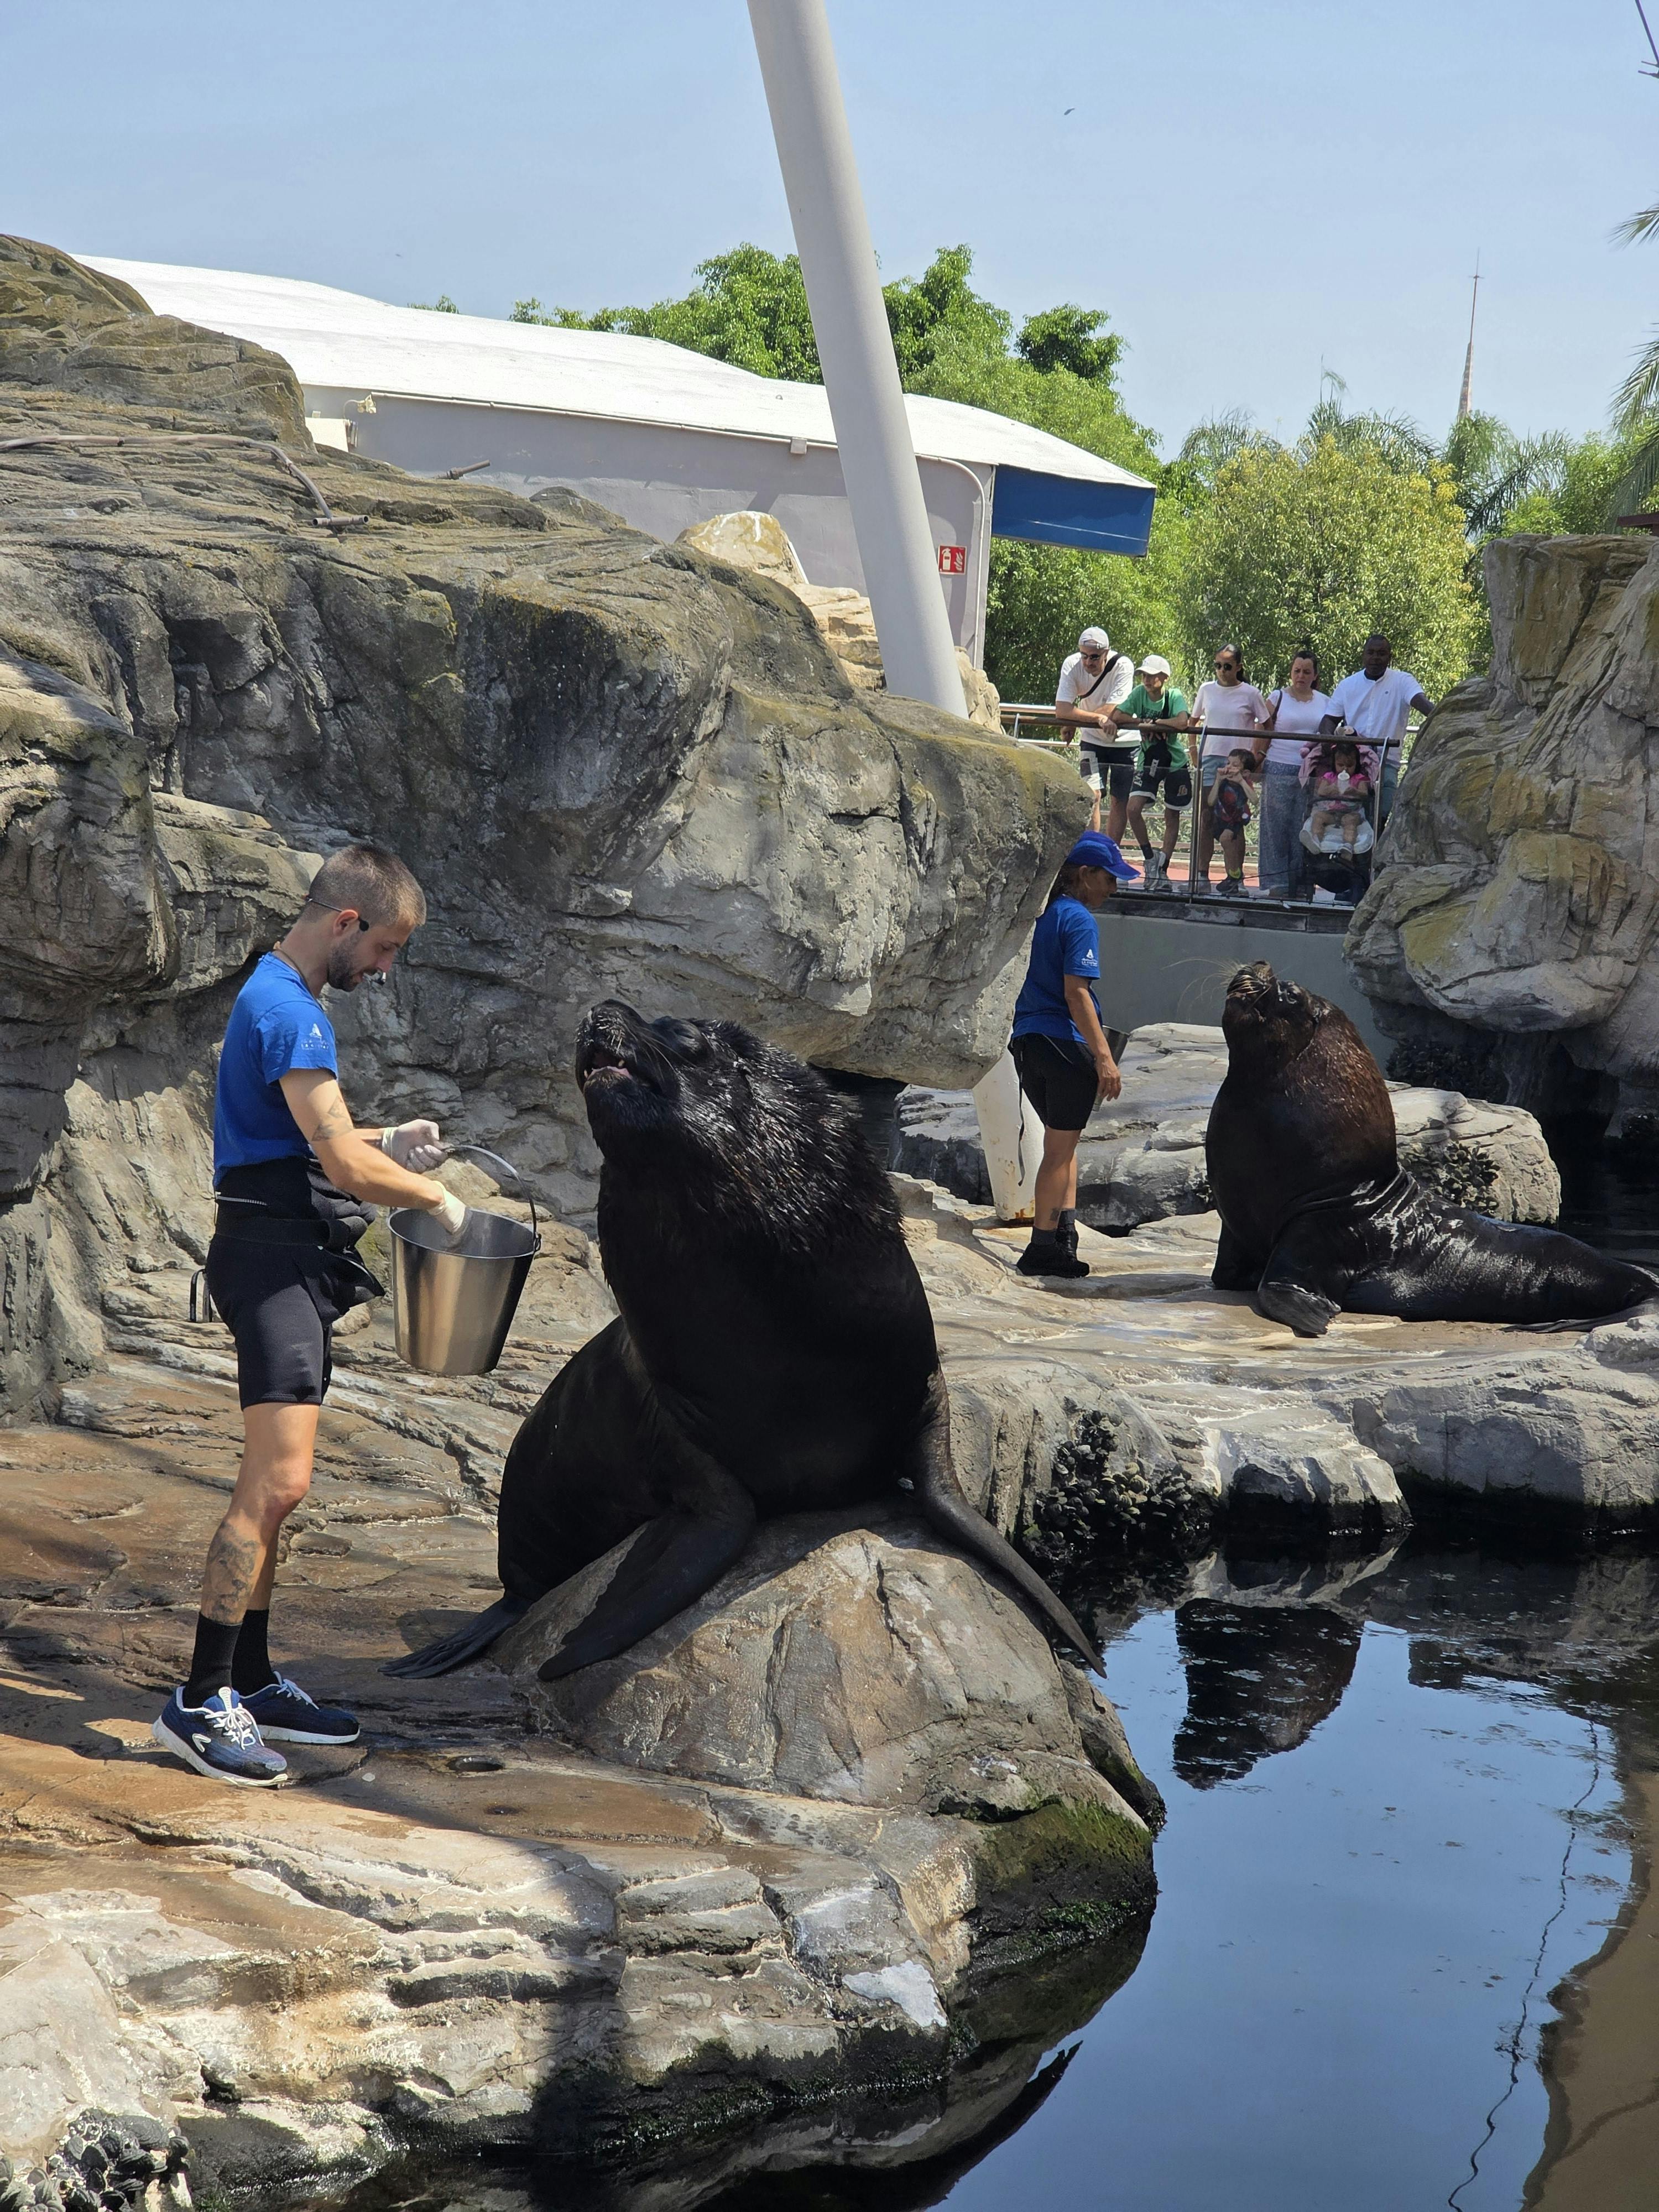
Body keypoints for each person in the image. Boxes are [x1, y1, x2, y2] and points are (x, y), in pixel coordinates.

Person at [152, 846, 471, 1788]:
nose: (386, 968)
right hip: (273, 1265)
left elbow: (300, 1137)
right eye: (385, 947)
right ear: (345, 922)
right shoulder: (294, 1014)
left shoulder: (275, 993)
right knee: (277, 1483)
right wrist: (432, 1196)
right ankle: (200, 1700)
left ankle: (250, 1676)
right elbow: (341, 1168)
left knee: (280, 1486)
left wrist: (387, 1138)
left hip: (284, 1259)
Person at [1009, 831, 1139, 1279]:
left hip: (1028, 1041)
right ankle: (1042, 1248)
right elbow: (1076, 993)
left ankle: (1065, 1237)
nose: (1114, 888)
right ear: (1085, 875)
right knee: (1058, 1153)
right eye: (1109, 878)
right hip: (1063, 1043)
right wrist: (1104, 1057)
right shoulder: (1079, 919)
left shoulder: (1039, 913)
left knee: (1064, 1142)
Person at [1321, 634, 1433, 824]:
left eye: (1381, 653)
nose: (1375, 658)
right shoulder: (1348, 685)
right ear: (1363, 655)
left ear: (1390, 657)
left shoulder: (1403, 681)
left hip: (1386, 762)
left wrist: (1444, 716)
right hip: (1352, 763)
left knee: (1380, 819)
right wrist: (1328, 741)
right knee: (1348, 816)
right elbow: (1329, 719)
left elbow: (1421, 702)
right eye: (1371, 653)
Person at [1107, 653, 1194, 893]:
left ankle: (1163, 867)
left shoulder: (1174, 696)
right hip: (1148, 760)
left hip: (1174, 761)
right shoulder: (1139, 694)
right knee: (1133, 808)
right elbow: (1117, 716)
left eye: (1152, 675)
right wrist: (1142, 723)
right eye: (1144, 675)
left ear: (1164, 678)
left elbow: (1183, 723)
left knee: (1172, 815)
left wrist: (1154, 724)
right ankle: (1149, 857)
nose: (1146, 679)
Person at [1190, 644, 1270, 891]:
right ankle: (1201, 875)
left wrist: (1259, 756)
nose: (1222, 671)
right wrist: (1193, 750)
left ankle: (1236, 877)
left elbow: (1267, 725)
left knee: (1236, 821)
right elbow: (1193, 721)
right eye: (1218, 666)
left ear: (1238, 667)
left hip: (1238, 762)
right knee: (1206, 816)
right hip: (1211, 758)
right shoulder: (1206, 689)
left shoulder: (1251, 693)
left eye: (1227, 666)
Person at [1257, 648, 1331, 898]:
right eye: (1297, 671)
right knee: (1275, 827)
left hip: (1310, 772)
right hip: (1278, 766)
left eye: (1307, 672)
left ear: (1315, 675)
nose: (1301, 676)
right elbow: (1261, 727)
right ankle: (1276, 881)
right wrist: (1256, 761)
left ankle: (1301, 882)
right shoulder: (1277, 697)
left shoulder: (1325, 702)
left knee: (1304, 826)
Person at [1054, 626, 1135, 841]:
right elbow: (1062, 710)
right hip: (1091, 740)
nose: (1088, 662)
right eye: (1084, 655)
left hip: (1125, 743)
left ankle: (1111, 851)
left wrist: (1075, 719)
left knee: (1120, 800)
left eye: (1094, 657)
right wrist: (1095, 719)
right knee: (1092, 795)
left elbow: (1113, 710)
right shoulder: (1072, 664)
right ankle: (1092, 849)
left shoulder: (1123, 666)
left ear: (1106, 653)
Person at [1305, 741, 1373, 857]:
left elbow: (1365, 793)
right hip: (1331, 812)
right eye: (1341, 765)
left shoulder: (1359, 779)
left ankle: (1348, 845)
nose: (1345, 769)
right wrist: (1331, 789)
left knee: (1351, 823)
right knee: (1319, 818)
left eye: (1350, 766)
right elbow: (1321, 791)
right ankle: (1316, 841)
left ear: (1356, 764)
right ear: (1334, 763)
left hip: (1351, 812)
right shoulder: (1329, 777)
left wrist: (1355, 791)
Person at [1208, 749, 1256, 896]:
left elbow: (1255, 800)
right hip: (1222, 818)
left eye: (1235, 766)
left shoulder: (1244, 782)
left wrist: (1241, 781)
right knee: (1228, 849)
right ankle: (1231, 880)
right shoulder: (1223, 781)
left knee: (1226, 839)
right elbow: (1211, 801)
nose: (1229, 768)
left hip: (1237, 818)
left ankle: (1236, 875)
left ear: (1245, 772)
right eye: (1228, 763)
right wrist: (1218, 781)